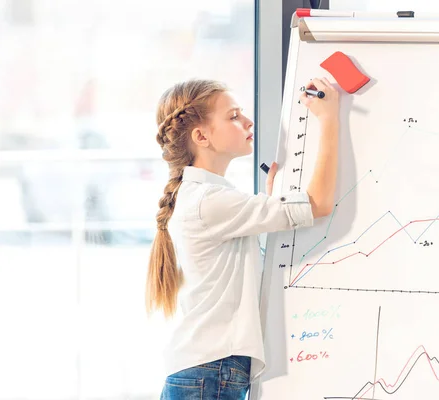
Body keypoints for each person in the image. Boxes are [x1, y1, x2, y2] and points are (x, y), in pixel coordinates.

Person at [145, 78, 340, 399]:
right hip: (212, 370)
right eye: (233, 116)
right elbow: (318, 203)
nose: (247, 121)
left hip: (207, 370)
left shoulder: (207, 196)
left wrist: (272, 200)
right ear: (201, 136)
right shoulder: (209, 201)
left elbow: (244, 267)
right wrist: (329, 119)